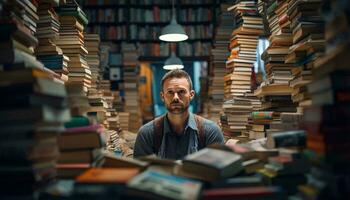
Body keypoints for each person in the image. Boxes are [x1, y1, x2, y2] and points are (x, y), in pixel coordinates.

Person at [134, 69, 224, 160]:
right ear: (162, 96)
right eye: (170, 92)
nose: (176, 97)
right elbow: (140, 171)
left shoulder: (210, 131)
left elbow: (219, 170)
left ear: (191, 95)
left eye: (181, 91)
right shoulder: (147, 133)